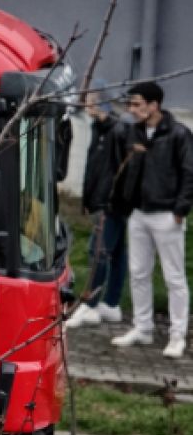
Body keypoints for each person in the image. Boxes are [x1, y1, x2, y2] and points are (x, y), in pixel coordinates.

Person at [109, 81, 193, 358]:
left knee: (174, 277)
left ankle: (177, 336)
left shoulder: (179, 134)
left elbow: (189, 172)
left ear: (154, 105)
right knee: (139, 273)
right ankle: (142, 328)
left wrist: (180, 210)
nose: (131, 110)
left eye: (137, 104)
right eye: (130, 104)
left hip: (168, 214)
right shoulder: (134, 131)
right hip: (139, 213)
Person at [65, 84, 130, 328]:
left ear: (102, 102)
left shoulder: (118, 131)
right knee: (118, 252)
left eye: (91, 99)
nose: (87, 104)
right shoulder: (98, 128)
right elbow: (94, 168)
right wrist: (87, 200)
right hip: (103, 201)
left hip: (113, 204)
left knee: (99, 251)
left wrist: (112, 201)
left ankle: (90, 305)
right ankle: (111, 304)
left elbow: (122, 170)